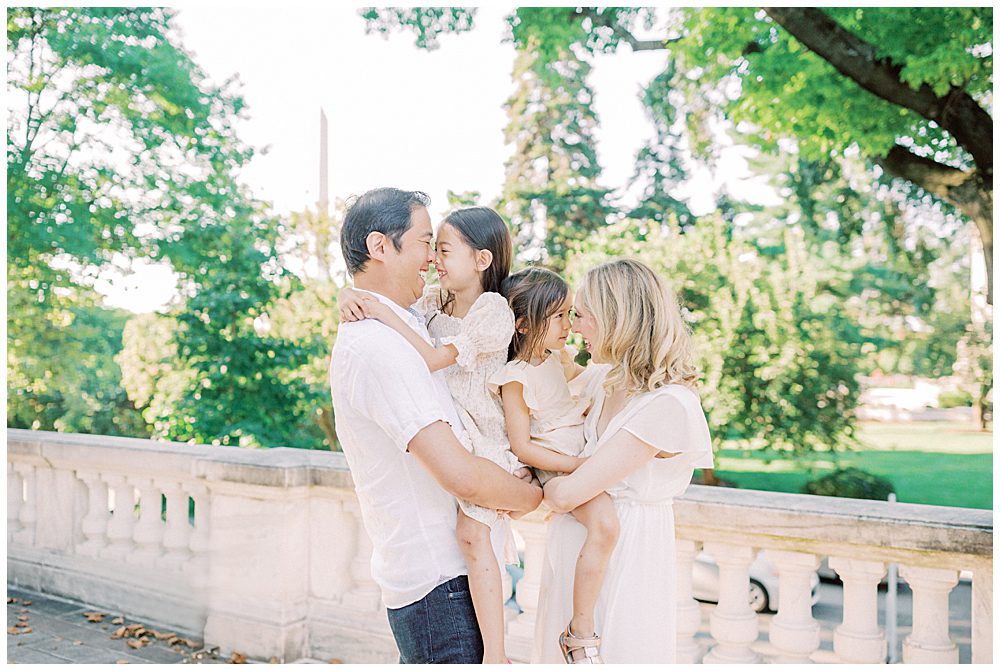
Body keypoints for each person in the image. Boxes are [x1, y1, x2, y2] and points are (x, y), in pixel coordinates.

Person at [328, 188, 542, 665]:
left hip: (446, 578)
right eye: (426, 242)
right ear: (381, 247)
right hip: (436, 587)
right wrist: (531, 497)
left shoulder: (412, 322)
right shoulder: (377, 347)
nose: (432, 258)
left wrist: (355, 293)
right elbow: (460, 474)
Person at [532, 259, 714, 664]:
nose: (575, 328)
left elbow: (565, 494)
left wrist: (553, 473)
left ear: (617, 318)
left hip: (629, 555)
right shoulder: (606, 379)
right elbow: (537, 374)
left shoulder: (667, 404)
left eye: (581, 316)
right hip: (575, 552)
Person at [488, 267, 619, 664]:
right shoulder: (514, 378)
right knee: (606, 525)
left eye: (570, 314)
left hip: (577, 449)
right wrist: (576, 464)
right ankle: (579, 631)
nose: (570, 325)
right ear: (524, 324)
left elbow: (584, 380)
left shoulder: (555, 357)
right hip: (558, 463)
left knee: (609, 526)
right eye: (560, 316)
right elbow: (523, 446)